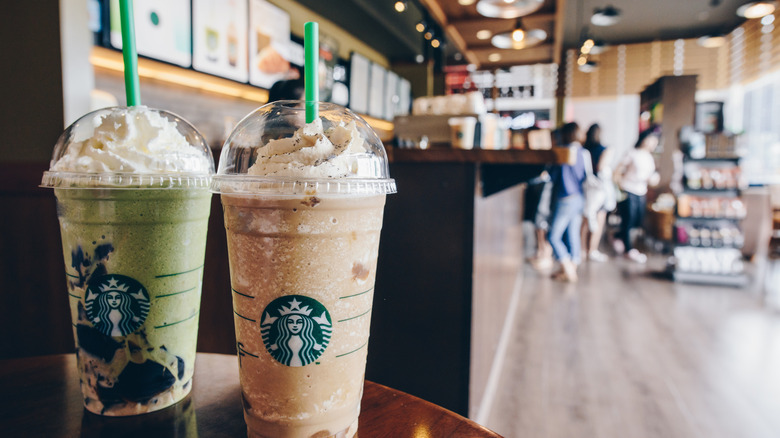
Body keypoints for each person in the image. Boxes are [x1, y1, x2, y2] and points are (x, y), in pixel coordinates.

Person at [547, 122, 587, 282]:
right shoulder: (584, 153)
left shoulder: (563, 153)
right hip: (579, 197)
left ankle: (567, 268)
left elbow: (552, 175)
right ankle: (571, 266)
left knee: (553, 236)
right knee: (573, 234)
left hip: (565, 197)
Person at [614, 128, 660, 263]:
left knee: (638, 220)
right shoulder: (632, 153)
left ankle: (617, 236)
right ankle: (628, 249)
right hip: (629, 189)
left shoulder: (649, 157)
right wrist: (620, 187)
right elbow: (618, 170)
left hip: (641, 191)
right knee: (628, 219)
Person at [581, 124, 615, 262]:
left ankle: (582, 249)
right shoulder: (605, 150)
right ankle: (592, 249)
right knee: (599, 220)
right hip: (598, 189)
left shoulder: (583, 150)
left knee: (585, 220)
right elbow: (601, 168)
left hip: (585, 188)